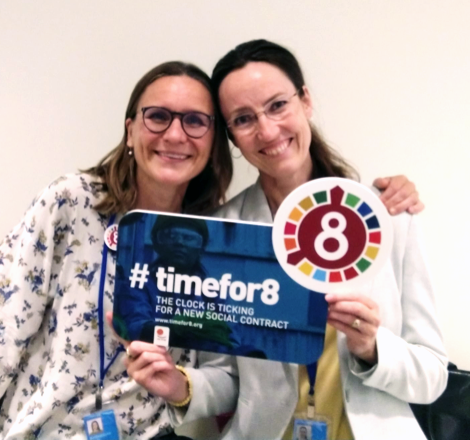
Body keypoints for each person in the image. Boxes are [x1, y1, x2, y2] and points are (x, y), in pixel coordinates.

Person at [159, 40, 446, 439]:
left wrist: (371, 348)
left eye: (278, 105)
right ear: (232, 137)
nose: (267, 130)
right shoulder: (224, 233)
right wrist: (180, 386)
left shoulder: (384, 215)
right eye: (243, 119)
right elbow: (228, 379)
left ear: (305, 101)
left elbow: (433, 376)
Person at [0, 61, 236, 439]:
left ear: (213, 142)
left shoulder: (214, 240)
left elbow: (224, 373)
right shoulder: (73, 201)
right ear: (130, 131)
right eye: (158, 116)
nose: (175, 134)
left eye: (195, 121)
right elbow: (7, 321)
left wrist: (178, 383)